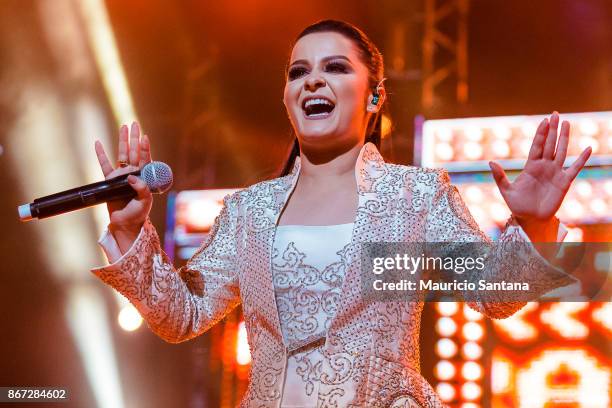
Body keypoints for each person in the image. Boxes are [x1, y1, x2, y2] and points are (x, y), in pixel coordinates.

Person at [91, 20, 591, 408]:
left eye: (335, 67)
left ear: (374, 96)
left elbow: (493, 294)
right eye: (298, 72)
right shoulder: (248, 211)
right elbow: (184, 314)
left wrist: (532, 224)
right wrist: (132, 230)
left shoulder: (413, 197)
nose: (312, 81)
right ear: (287, 99)